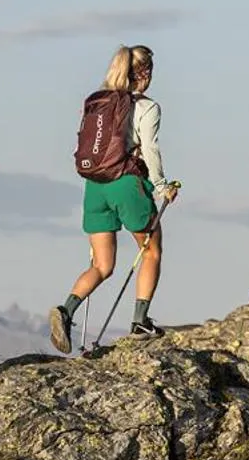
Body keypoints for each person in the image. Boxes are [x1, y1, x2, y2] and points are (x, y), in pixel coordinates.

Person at [49, 44, 178, 352]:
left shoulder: (99, 102)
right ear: (144, 74)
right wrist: (162, 187)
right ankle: (139, 321)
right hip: (126, 184)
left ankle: (65, 311)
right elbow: (150, 150)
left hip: (95, 186)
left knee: (102, 265)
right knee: (150, 250)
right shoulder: (147, 108)